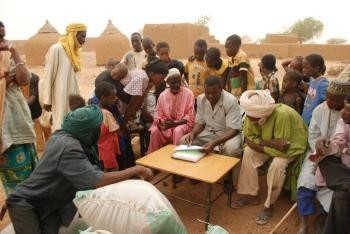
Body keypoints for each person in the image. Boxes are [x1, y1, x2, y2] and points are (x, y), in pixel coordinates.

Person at [6, 105, 153, 233]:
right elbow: (97, 180)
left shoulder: (61, 135)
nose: (101, 131)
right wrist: (136, 169)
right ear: (88, 131)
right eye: (98, 128)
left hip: (49, 205)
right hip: (28, 205)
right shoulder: (69, 148)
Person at [234, 90, 308, 225]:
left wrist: (263, 144)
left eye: (252, 116)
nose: (249, 118)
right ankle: (250, 194)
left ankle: (269, 205)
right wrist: (270, 143)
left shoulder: (282, 115)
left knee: (277, 165)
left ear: (261, 113)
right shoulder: (252, 114)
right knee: (248, 153)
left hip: (292, 146)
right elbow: (249, 140)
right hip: (270, 145)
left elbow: (283, 149)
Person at [296, 79, 350, 234]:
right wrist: (321, 149)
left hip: (340, 162)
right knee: (306, 180)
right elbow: (314, 136)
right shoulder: (320, 110)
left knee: (336, 191)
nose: (329, 101)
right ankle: (303, 223)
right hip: (321, 154)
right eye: (327, 97)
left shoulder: (343, 117)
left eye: (334, 99)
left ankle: (324, 216)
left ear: (344, 101)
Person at [0, 21, 38, 197]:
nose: (3, 41)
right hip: (4, 130)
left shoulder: (8, 55)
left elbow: (24, 80)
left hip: (19, 124)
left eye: (3, 36)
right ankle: (22, 218)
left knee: (33, 178)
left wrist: (14, 51)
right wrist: (7, 79)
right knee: (17, 188)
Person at [311, 94, 350, 233]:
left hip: (345, 175)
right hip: (345, 173)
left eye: (348, 110)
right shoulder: (343, 122)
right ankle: (346, 184)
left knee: (341, 196)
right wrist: (326, 145)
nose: (343, 112)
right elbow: (339, 142)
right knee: (324, 157)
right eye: (344, 108)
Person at [181, 75, 242, 157]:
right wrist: (193, 133)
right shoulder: (200, 99)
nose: (210, 96)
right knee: (183, 141)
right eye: (207, 93)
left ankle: (228, 170)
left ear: (221, 89)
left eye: (214, 93)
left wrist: (215, 142)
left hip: (228, 134)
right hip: (209, 132)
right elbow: (200, 123)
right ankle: (194, 168)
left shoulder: (231, 101)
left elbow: (233, 129)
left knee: (231, 150)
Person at [40, 23, 87, 130]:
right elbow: (48, 75)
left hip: (73, 95)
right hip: (59, 95)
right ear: (74, 35)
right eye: (82, 36)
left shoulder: (75, 52)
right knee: (61, 123)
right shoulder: (57, 49)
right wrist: (47, 100)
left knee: (73, 122)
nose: (85, 40)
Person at [148, 68, 195, 153]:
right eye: (173, 82)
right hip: (167, 125)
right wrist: (161, 123)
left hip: (182, 125)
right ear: (168, 83)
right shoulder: (163, 95)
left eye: (178, 82)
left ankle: (178, 157)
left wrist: (175, 123)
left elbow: (190, 116)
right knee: (155, 131)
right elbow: (158, 114)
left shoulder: (189, 94)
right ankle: (154, 158)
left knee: (178, 130)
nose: (177, 85)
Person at [121, 58, 169, 135]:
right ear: (152, 73)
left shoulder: (144, 77)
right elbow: (131, 107)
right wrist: (122, 128)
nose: (162, 81)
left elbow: (137, 105)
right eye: (162, 78)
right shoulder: (143, 78)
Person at [95, 82, 121, 172]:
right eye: (113, 97)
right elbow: (116, 129)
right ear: (103, 98)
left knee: (105, 168)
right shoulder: (107, 113)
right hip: (108, 148)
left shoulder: (95, 110)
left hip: (100, 146)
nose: (116, 99)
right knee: (114, 169)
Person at [301, 53, 329, 125]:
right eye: (303, 67)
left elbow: (327, 104)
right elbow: (311, 98)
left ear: (317, 68)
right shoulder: (312, 79)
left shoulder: (323, 84)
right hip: (306, 118)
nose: (303, 70)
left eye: (306, 67)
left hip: (313, 122)